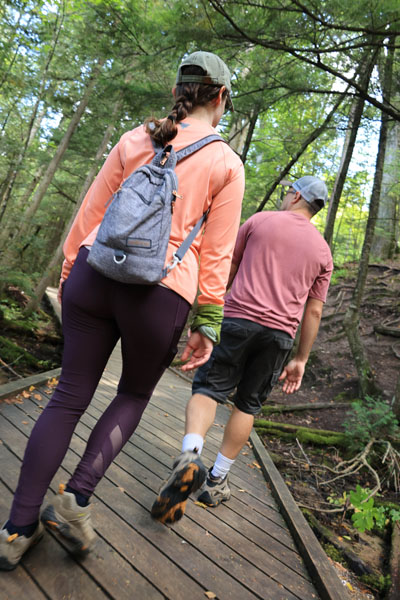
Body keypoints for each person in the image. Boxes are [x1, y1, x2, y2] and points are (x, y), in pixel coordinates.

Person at [0, 51, 244, 570]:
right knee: (133, 394)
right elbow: (218, 253)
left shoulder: (138, 138)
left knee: (67, 396)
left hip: (94, 271)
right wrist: (208, 321)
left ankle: (15, 529)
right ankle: (76, 499)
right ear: (220, 96)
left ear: (180, 89)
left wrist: (69, 273)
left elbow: (91, 210)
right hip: (162, 291)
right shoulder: (226, 163)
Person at [151, 176, 333, 521]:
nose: (284, 196)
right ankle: (217, 479)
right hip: (279, 336)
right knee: (248, 404)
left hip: (236, 321)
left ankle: (190, 456)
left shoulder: (260, 221)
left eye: (287, 192)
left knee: (209, 390)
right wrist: (301, 358)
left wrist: (208, 313)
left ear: (296, 195)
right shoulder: (323, 251)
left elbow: (226, 268)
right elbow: (314, 310)